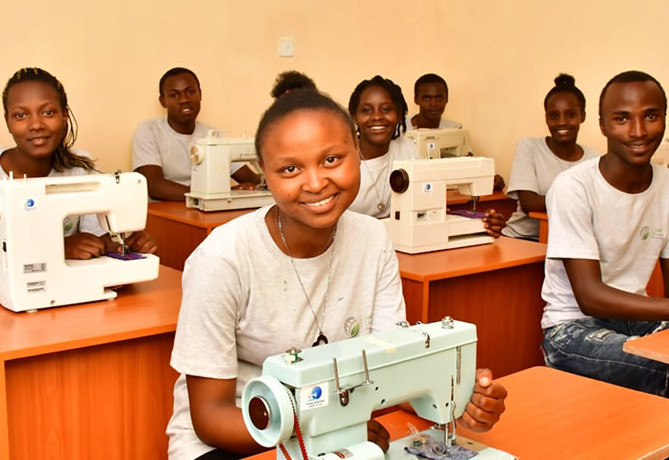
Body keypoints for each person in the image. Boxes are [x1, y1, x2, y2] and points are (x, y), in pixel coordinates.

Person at [167, 89, 507, 459]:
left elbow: (390, 368)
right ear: (264, 173)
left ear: (358, 151)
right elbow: (210, 416)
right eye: (290, 169)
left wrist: (460, 397)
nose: (315, 183)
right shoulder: (222, 259)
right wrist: (331, 430)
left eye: (331, 159)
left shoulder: (372, 239)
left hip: (336, 435)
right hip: (238, 442)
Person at [541, 70, 669, 396]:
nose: (638, 131)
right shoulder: (573, 187)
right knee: (661, 367)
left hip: (636, 321)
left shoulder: (667, 185)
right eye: (622, 119)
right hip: (573, 329)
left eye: (651, 116)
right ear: (602, 125)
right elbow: (590, 297)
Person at [2, 67, 157, 259]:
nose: (36, 125)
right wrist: (58, 248)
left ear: (64, 116)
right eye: (20, 115)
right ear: (7, 122)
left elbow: (97, 239)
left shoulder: (79, 170)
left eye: (48, 112)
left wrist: (126, 242)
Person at [347, 75, 505, 236]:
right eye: (366, 110)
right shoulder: (343, 158)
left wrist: (480, 224)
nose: (377, 117)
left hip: (397, 240)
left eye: (386, 109)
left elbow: (426, 204)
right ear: (354, 116)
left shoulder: (407, 149)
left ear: (400, 114)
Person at [132, 67, 259, 201]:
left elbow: (252, 179)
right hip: (164, 210)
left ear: (200, 94)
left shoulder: (213, 136)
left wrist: (264, 178)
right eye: (174, 95)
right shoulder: (149, 131)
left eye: (190, 92)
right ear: (163, 101)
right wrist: (213, 195)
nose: (184, 99)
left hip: (204, 210)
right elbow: (154, 187)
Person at [502, 74, 600, 240]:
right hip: (523, 238)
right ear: (546, 117)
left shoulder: (594, 159)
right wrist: (579, 200)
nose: (562, 122)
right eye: (554, 116)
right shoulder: (529, 147)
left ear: (582, 116)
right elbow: (528, 203)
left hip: (568, 243)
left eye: (570, 115)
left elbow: (599, 206)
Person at [408, 73, 505, 191]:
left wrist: (489, 179)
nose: (433, 103)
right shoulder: (401, 129)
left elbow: (469, 164)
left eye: (439, 98)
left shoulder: (454, 129)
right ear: (416, 99)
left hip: (449, 192)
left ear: (446, 99)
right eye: (427, 98)